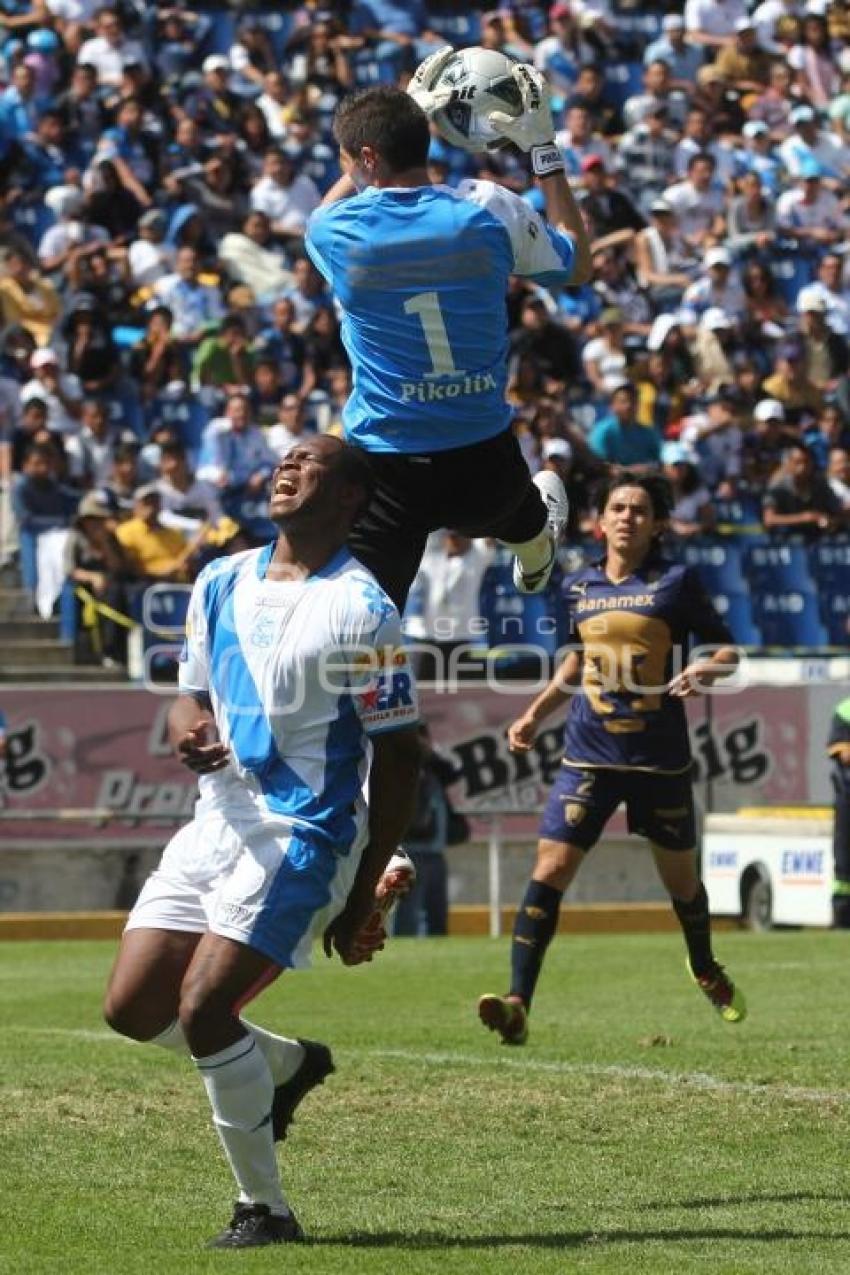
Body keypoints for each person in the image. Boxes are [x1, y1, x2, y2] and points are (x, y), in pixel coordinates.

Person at [103, 434, 422, 1248]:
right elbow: (188, 697)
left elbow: (401, 754)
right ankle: (283, 1065)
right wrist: (189, 734)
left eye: (310, 461)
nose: (287, 465)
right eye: (283, 457)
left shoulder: (365, 606)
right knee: (132, 1007)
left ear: (350, 497)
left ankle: (265, 1210)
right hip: (216, 821)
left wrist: (362, 887)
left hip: (304, 831)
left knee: (205, 1008)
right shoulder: (218, 578)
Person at [304, 69, 592, 612]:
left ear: (367, 159)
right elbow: (577, 262)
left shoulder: (335, 231)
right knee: (520, 520)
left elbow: (323, 210)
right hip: (482, 450)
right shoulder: (487, 205)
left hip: (387, 457)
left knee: (361, 613)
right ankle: (535, 545)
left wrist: (407, 109)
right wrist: (545, 152)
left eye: (348, 158)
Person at [477, 471, 746, 1047]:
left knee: (681, 885)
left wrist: (706, 668)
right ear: (600, 521)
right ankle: (518, 1001)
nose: (628, 517)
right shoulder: (577, 587)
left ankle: (703, 965)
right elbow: (575, 663)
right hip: (589, 756)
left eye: (640, 510)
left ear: (656, 524)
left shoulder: (677, 582)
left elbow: (729, 649)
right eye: (618, 508)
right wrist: (532, 714)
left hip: (658, 758)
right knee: (549, 871)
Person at [394, 722, 458, 937]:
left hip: (434, 850)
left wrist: (430, 755)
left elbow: (452, 774)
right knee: (408, 909)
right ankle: (403, 948)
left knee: (437, 908)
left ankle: (439, 943)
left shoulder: (433, 769)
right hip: (410, 848)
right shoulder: (399, 766)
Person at [827, 698, 850, 928]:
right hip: (848, 799)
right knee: (844, 861)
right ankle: (843, 917)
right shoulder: (845, 710)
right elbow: (843, 753)